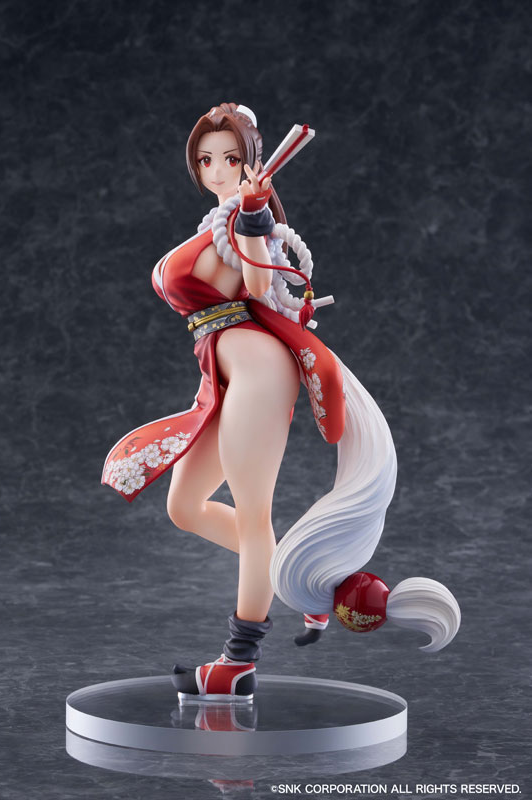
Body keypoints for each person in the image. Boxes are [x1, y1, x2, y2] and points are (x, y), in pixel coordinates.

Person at [102, 102, 460, 703]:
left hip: (257, 372)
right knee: (185, 507)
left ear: (251, 163)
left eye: (230, 158)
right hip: (222, 378)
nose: (217, 170)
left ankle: (238, 662)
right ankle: (307, 579)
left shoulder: (247, 222)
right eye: (206, 159)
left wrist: (253, 215)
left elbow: (261, 284)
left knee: (252, 515)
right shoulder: (215, 221)